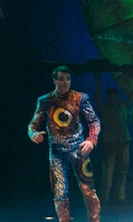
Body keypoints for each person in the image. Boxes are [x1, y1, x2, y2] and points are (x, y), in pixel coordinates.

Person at [27, 66, 101, 222]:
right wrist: (33, 134)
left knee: (88, 189)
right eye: (61, 79)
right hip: (57, 153)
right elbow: (33, 125)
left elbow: (94, 121)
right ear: (54, 80)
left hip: (79, 149)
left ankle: (94, 220)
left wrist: (91, 140)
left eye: (68, 79)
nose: (65, 82)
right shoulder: (45, 101)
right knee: (60, 192)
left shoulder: (80, 98)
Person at [94, 73, 133, 204]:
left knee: (123, 170)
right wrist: (99, 80)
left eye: (116, 96)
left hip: (123, 142)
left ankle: (120, 197)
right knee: (108, 172)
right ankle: (104, 197)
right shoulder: (105, 108)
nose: (115, 98)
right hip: (111, 142)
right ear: (109, 98)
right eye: (113, 96)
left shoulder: (122, 106)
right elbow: (98, 95)